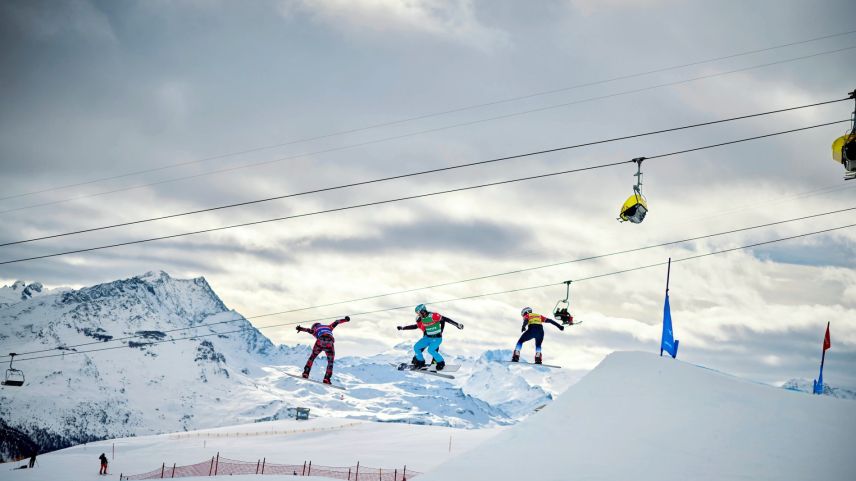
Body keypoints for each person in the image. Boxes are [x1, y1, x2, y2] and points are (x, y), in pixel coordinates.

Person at [397, 304, 463, 371]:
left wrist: (457, 325)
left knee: (431, 350)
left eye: (418, 313)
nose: (418, 315)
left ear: (423, 311)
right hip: (427, 338)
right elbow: (415, 326)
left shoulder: (433, 316)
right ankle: (421, 362)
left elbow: (445, 319)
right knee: (416, 347)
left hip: (436, 338)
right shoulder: (421, 319)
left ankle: (441, 363)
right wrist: (403, 328)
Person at [296, 316, 350, 384]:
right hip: (329, 342)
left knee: (312, 358)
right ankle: (326, 378)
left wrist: (300, 328)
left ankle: (305, 373)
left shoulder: (315, 330)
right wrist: (346, 319)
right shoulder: (328, 327)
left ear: (314, 327)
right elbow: (336, 322)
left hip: (320, 341)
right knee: (330, 362)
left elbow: (308, 330)